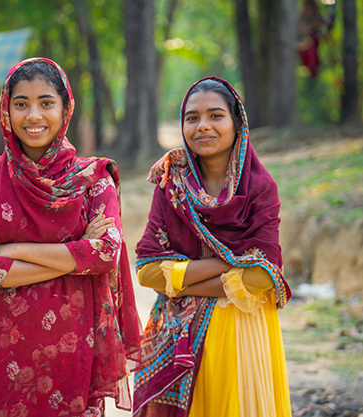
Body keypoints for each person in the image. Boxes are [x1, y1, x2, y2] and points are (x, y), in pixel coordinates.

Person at [0, 58, 142, 417]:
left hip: (72, 349)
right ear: (6, 111)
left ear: (66, 108)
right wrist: (73, 256)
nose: (33, 115)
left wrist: (15, 249)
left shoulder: (92, 178)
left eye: (46, 103)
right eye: (21, 104)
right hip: (0, 351)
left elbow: (105, 254)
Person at [133, 77, 292, 417]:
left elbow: (265, 278)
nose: (203, 126)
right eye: (192, 118)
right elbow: (146, 271)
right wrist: (231, 263)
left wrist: (179, 281)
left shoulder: (259, 189)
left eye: (215, 116)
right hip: (180, 332)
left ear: (238, 124)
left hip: (240, 327)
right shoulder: (171, 186)